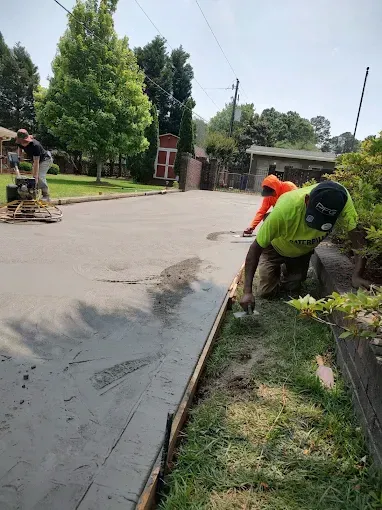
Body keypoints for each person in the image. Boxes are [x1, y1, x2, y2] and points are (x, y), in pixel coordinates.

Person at [240, 181, 370, 310]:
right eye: (315, 218)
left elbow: (358, 241)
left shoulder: (342, 202)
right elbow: (255, 249)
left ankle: (289, 269)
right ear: (307, 200)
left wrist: (357, 276)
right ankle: (274, 269)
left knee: (293, 287)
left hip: (301, 252)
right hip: (275, 247)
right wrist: (247, 292)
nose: (318, 227)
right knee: (265, 292)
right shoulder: (284, 211)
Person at [16, 129, 53, 201]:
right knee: (31, 179)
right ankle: (31, 195)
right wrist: (20, 156)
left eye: (26, 141)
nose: (24, 143)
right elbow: (20, 149)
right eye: (23, 141)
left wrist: (35, 177)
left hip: (46, 160)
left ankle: (46, 195)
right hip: (37, 160)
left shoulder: (35, 146)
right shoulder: (19, 143)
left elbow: (36, 162)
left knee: (39, 176)